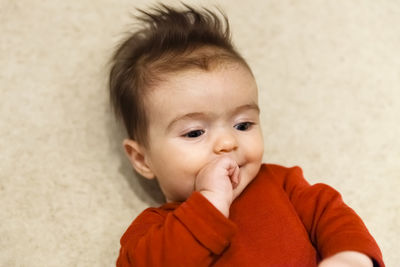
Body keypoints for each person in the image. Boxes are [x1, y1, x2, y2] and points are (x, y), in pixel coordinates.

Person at [109, 4, 384, 267]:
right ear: (142, 159)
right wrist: (210, 201)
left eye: (243, 125)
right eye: (195, 132)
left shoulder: (281, 184)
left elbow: (331, 215)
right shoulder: (151, 233)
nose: (228, 143)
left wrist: (351, 257)